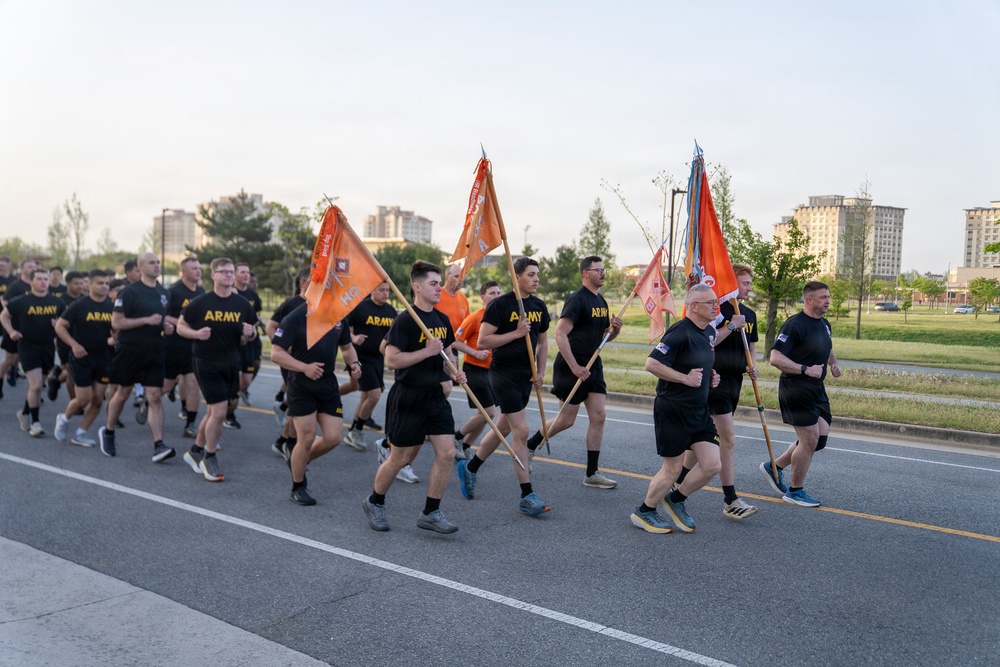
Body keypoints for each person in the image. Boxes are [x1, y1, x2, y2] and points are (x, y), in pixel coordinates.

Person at [362, 260, 465, 534]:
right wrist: (427, 352)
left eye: (440, 283)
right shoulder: (405, 319)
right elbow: (392, 360)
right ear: (417, 287)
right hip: (409, 396)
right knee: (400, 458)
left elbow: (448, 355)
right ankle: (375, 501)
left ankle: (431, 512)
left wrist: (455, 371)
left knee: (447, 452)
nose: (439, 287)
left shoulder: (442, 319)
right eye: (433, 283)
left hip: (435, 397)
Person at [456, 257, 551, 517]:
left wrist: (541, 371)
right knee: (521, 431)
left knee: (504, 426)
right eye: (531, 274)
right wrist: (516, 333)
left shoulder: (539, 306)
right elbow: (484, 341)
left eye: (538, 275)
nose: (536, 279)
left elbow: (542, 343)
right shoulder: (500, 305)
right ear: (517, 276)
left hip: (526, 376)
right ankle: (526, 494)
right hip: (502, 373)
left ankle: (471, 467)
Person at [630, 284, 722, 534]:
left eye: (716, 302)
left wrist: (711, 377)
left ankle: (676, 500)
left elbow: (698, 365)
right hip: (673, 410)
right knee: (671, 469)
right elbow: (651, 364)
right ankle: (645, 511)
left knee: (713, 465)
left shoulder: (709, 332)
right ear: (693, 306)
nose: (716, 306)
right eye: (710, 303)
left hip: (699, 411)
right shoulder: (679, 332)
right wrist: (684, 378)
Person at [525, 256, 622, 489]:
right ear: (586, 273)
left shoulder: (601, 301)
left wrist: (614, 330)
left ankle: (591, 473)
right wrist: (575, 367)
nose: (604, 273)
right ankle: (529, 446)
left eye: (604, 269)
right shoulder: (577, 300)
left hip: (593, 366)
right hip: (572, 367)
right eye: (599, 270)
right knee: (566, 421)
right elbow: (560, 334)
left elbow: (602, 339)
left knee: (599, 416)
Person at [672, 263, 760, 519]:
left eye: (748, 283)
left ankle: (677, 480)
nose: (748, 287)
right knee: (727, 439)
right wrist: (731, 326)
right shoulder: (715, 311)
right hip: (714, 382)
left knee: (699, 444)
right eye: (744, 283)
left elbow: (751, 346)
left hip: (735, 382)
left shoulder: (749, 314)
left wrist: (751, 365)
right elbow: (709, 340)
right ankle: (730, 499)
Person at [176, 258, 259, 482]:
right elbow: (180, 326)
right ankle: (209, 457)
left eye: (231, 272)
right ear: (213, 275)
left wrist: (250, 333)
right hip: (205, 362)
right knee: (220, 411)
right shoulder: (200, 303)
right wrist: (195, 334)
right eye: (224, 272)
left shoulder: (242, 304)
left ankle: (195, 451)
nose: (229, 276)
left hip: (231, 362)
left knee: (214, 412)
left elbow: (250, 336)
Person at [760, 280, 841, 507]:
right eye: (823, 297)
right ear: (809, 300)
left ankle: (774, 467)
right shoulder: (794, 325)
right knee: (809, 440)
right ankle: (795, 491)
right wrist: (805, 369)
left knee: (819, 440)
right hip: (796, 387)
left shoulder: (824, 324)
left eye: (828, 296)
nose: (828, 301)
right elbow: (775, 358)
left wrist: (834, 364)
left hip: (817, 389)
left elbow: (827, 347)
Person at [271, 304, 361, 504]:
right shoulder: (295, 317)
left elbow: (347, 348)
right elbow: (276, 353)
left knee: (333, 437)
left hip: (328, 384)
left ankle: (299, 460)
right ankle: (298, 486)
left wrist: (354, 364)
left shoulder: (338, 316)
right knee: (308, 437)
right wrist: (304, 367)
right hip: (301, 384)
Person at [99, 252, 173, 462]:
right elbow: (117, 323)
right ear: (140, 268)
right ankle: (109, 431)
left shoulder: (164, 293)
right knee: (122, 393)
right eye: (152, 262)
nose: (157, 265)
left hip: (155, 349)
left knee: (155, 396)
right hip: (130, 349)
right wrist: (145, 320)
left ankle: (159, 444)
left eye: (158, 262)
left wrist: (165, 326)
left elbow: (161, 319)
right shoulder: (129, 293)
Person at [1, 268, 65, 436]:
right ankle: (35, 423)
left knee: (37, 386)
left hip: (48, 347)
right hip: (28, 346)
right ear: (31, 282)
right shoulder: (21, 301)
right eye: (39, 279)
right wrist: (11, 331)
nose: (43, 282)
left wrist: (56, 325)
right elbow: (4, 316)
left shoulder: (56, 302)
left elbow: (63, 322)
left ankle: (24, 412)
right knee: (36, 385)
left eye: (45, 279)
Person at [53, 269, 114, 446]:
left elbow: (116, 330)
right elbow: (60, 326)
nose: (104, 286)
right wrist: (74, 344)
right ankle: (64, 418)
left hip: (103, 357)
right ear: (91, 284)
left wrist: (115, 339)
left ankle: (80, 433)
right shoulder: (80, 305)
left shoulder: (111, 307)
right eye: (100, 283)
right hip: (81, 357)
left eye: (107, 283)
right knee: (83, 399)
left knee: (97, 399)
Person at [341, 282, 396, 451]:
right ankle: (357, 430)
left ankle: (352, 431)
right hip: (359, 357)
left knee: (366, 396)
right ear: (372, 289)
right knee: (374, 394)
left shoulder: (391, 311)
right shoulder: (360, 307)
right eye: (381, 290)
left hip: (377, 359)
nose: (385, 293)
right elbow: (344, 330)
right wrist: (353, 337)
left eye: (387, 290)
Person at [451, 280, 502, 460]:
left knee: (484, 415)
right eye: (492, 293)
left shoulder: (501, 317)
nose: (496, 296)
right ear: (482, 297)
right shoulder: (475, 317)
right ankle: (456, 438)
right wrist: (474, 352)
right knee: (488, 412)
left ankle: (464, 445)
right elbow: (454, 341)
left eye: (498, 293)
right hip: (474, 370)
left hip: (492, 372)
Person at [266, 269, 309, 458]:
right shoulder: (292, 304)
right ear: (302, 283)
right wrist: (282, 346)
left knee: (297, 402)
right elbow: (270, 326)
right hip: (292, 362)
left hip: (309, 361)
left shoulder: (321, 304)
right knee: (297, 402)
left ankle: (284, 441)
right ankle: (288, 443)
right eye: (312, 280)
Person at [162, 257, 205, 439]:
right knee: (166, 386)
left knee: (193, 383)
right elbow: (162, 315)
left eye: (199, 267)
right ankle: (149, 402)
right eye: (194, 268)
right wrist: (183, 323)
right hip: (174, 345)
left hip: (193, 345)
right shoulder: (173, 291)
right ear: (184, 272)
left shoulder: (201, 291)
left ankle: (190, 424)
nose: (198, 271)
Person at [227, 262, 263, 426]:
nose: (246, 275)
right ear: (234, 275)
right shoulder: (229, 293)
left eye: (248, 272)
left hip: (248, 341)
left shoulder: (253, 296)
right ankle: (229, 414)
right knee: (234, 377)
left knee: (246, 380)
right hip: (232, 343)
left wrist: (250, 331)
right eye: (242, 272)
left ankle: (232, 397)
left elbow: (255, 319)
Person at [46, 270, 85, 403]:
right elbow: (53, 322)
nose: (79, 286)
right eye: (76, 283)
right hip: (65, 341)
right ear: (68, 284)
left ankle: (56, 381)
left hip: (82, 340)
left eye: (81, 283)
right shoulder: (60, 301)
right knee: (70, 371)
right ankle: (74, 401)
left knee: (78, 370)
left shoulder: (85, 300)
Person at [0, 258, 37, 396]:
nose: (32, 268)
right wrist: (13, 312)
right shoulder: (16, 285)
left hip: (31, 327)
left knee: (24, 356)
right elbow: (4, 300)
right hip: (14, 326)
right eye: (29, 266)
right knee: (9, 358)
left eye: (34, 266)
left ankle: (34, 393)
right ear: (22, 269)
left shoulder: (38, 285)